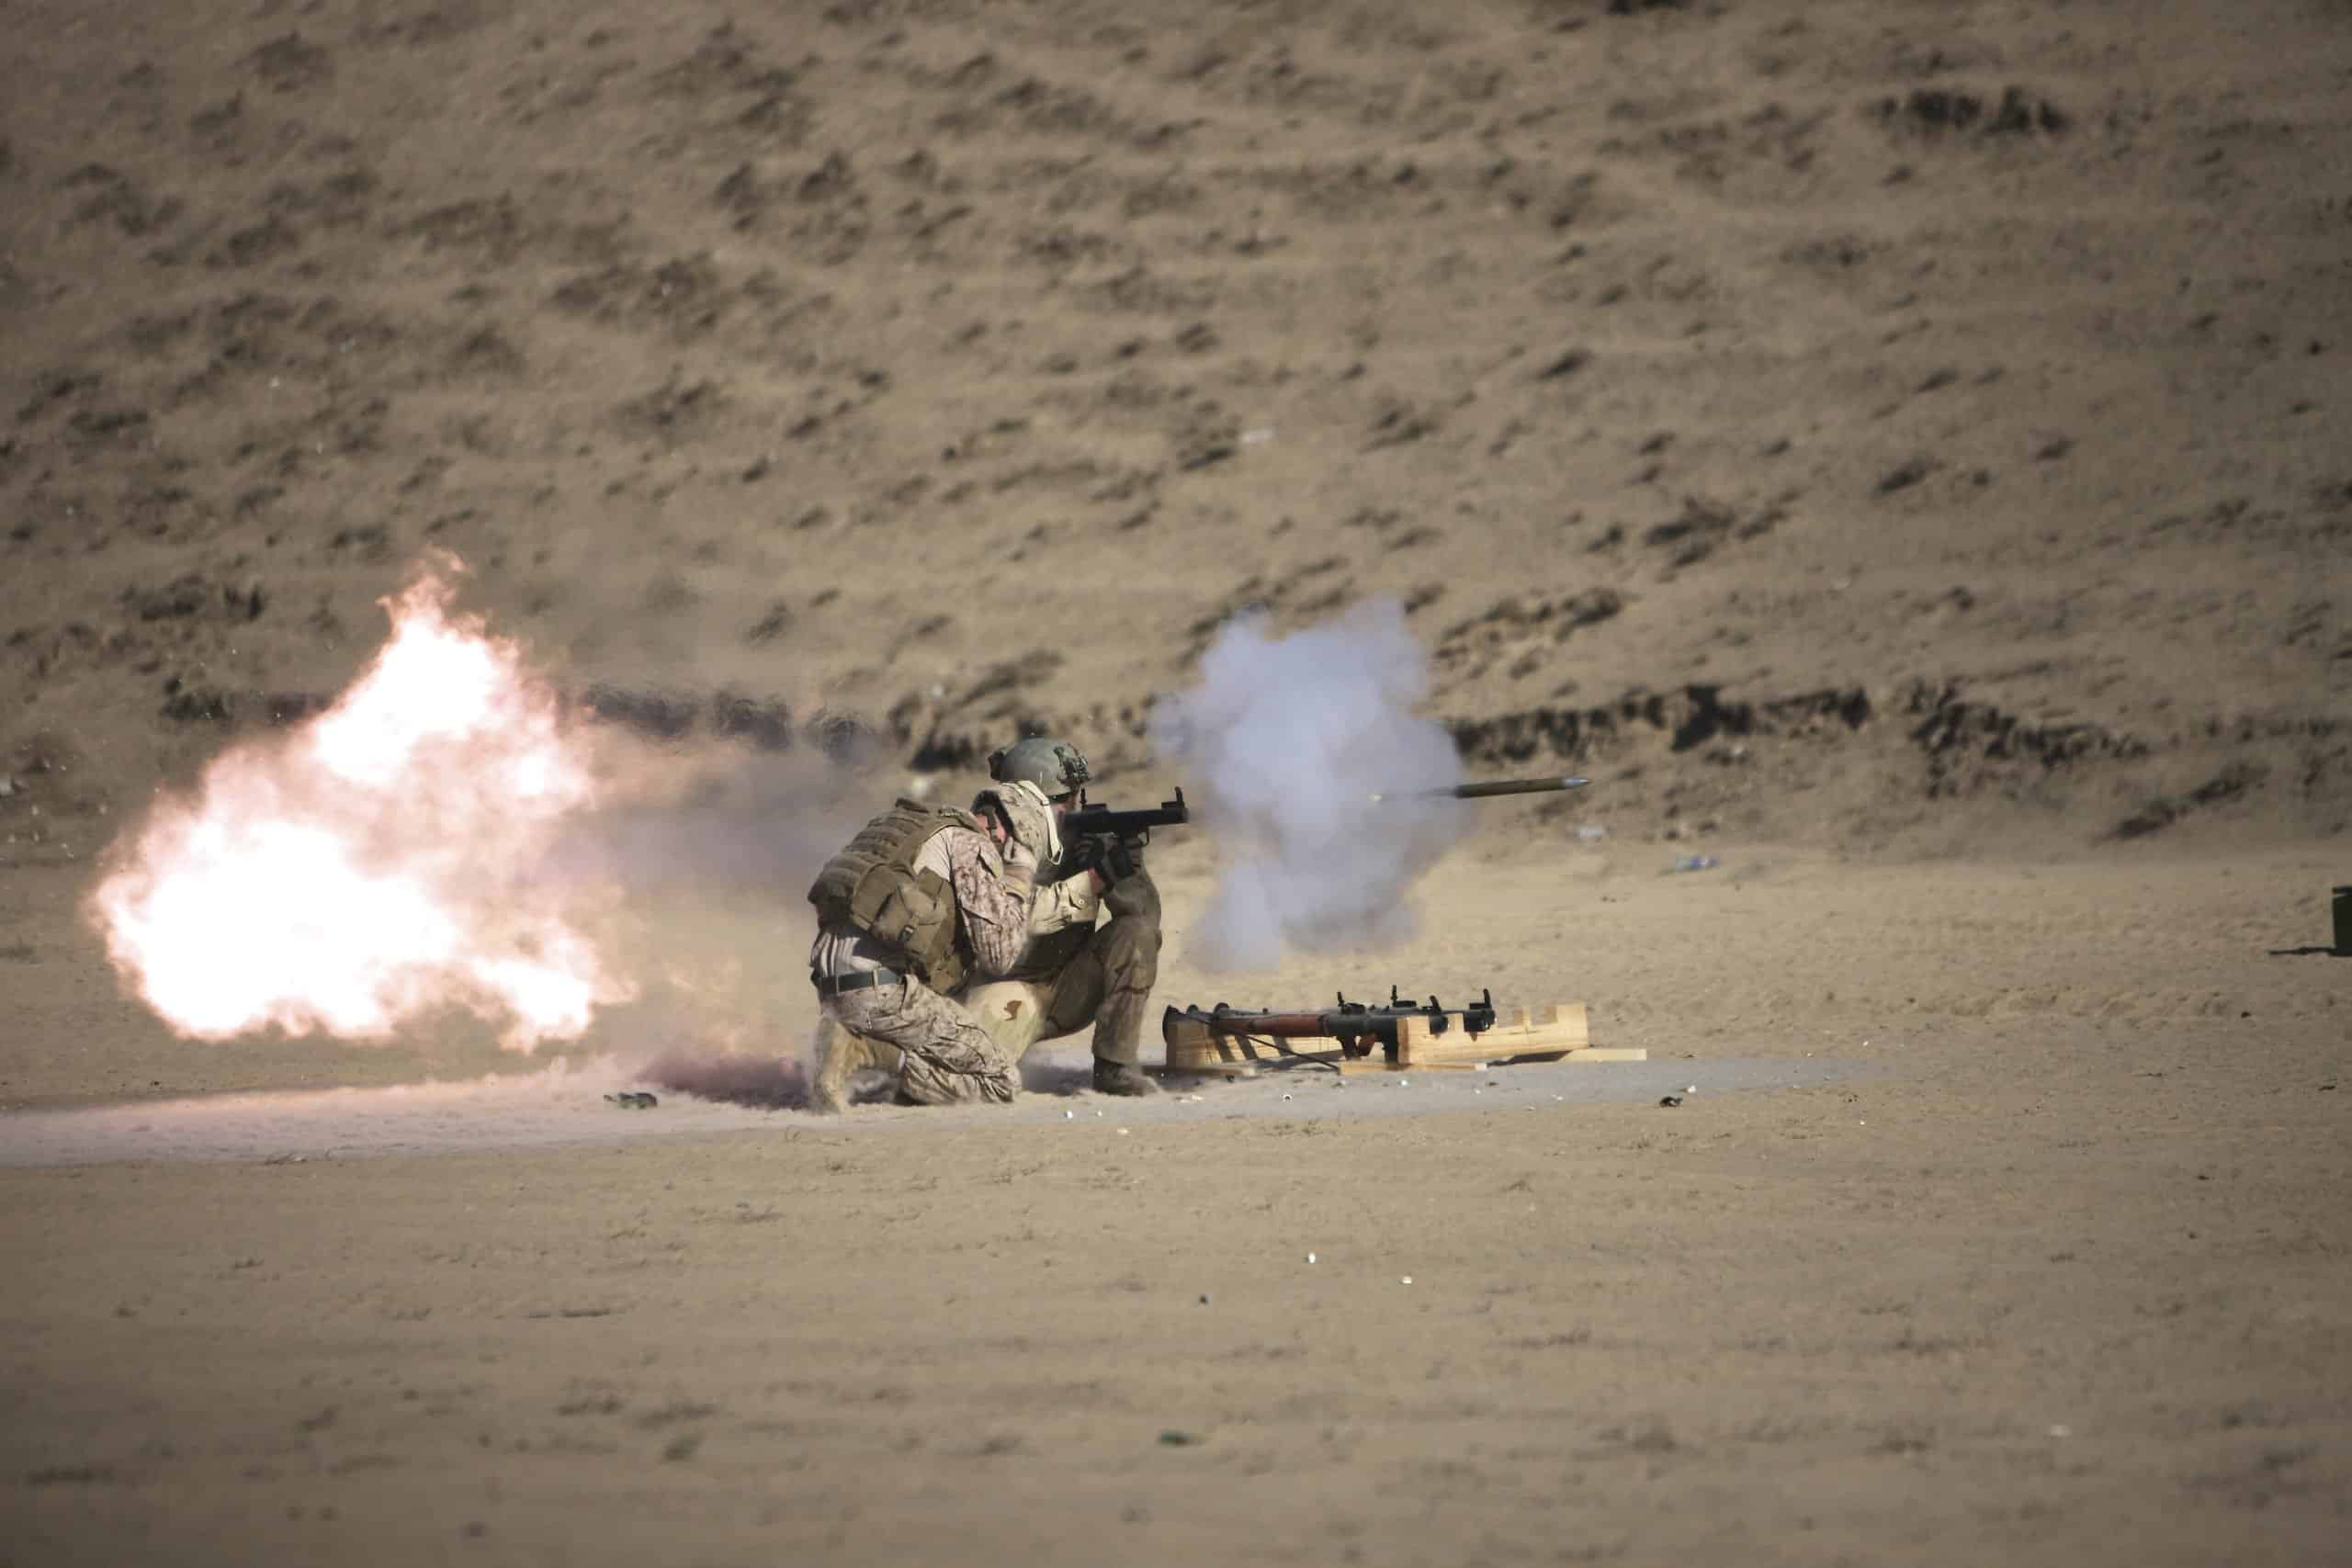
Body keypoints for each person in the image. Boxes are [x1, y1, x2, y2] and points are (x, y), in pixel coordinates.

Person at [808, 736, 1164, 1111]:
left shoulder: (1065, 840)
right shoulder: (983, 845)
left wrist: (1125, 872)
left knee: (1136, 934)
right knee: (985, 1079)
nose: (1075, 806)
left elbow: (1143, 923)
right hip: (1001, 993)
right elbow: (1003, 938)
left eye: (1075, 796)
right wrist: (1083, 879)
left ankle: (1115, 1065)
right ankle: (872, 1055)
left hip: (1066, 986)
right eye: (1064, 799)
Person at [803, 776, 1057, 1108]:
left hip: (832, 988)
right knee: (1000, 1081)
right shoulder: (971, 844)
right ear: (1013, 835)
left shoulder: (913, 828)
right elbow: (999, 955)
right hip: (881, 994)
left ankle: (853, 1052)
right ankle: (863, 1051)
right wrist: (1018, 877)